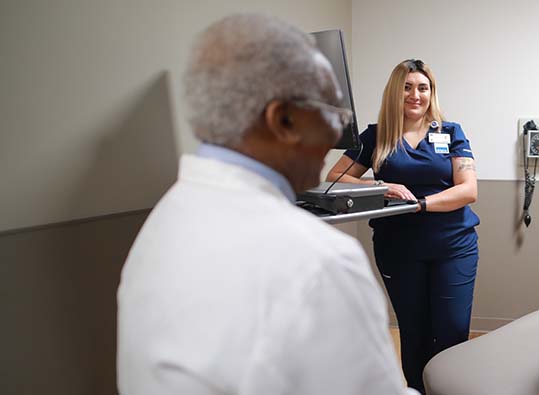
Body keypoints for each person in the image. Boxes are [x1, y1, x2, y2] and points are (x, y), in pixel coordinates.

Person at [117, 13, 416, 395]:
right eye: (333, 113)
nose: (335, 133)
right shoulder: (318, 261)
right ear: (284, 120)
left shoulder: (167, 218)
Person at [326, 59, 479, 393]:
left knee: (451, 331)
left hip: (453, 247)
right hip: (399, 249)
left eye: (423, 87)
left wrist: (420, 205)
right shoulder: (376, 135)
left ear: (431, 93)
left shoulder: (449, 132)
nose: (415, 95)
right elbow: (335, 176)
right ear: (395, 93)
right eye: (407, 87)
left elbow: (468, 190)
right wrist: (382, 187)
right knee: (413, 331)